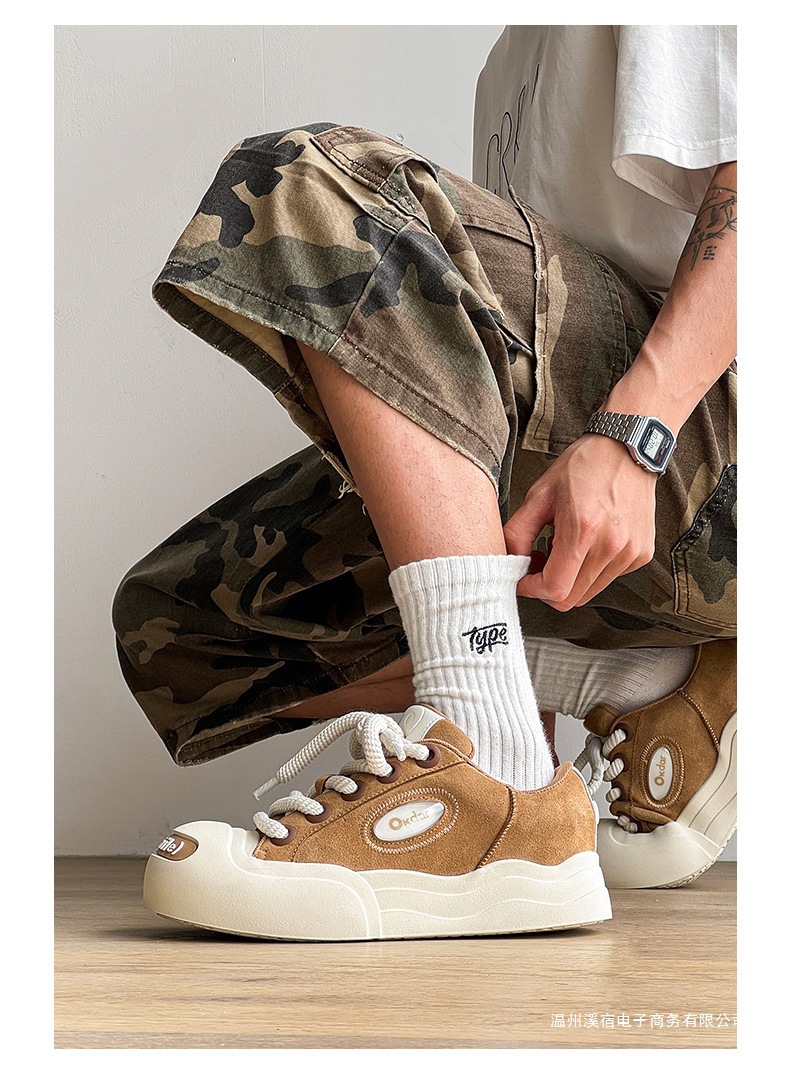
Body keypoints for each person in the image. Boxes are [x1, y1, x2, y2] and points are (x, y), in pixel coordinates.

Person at [114, 24, 736, 940]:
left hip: (714, 449)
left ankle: (488, 776)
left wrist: (632, 437)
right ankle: (638, 700)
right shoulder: (515, 66)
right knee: (180, 626)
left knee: (321, 184)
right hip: (647, 495)